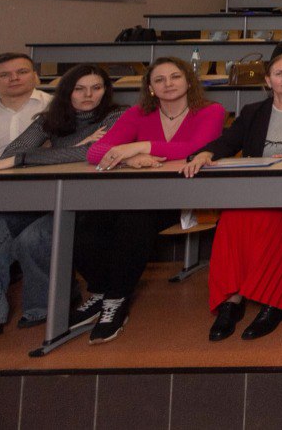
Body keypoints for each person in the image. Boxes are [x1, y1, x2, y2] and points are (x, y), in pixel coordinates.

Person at [182, 55, 282, 341]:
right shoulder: (252, 112)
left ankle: (274, 302)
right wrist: (205, 153)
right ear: (267, 80)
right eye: (279, 73)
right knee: (231, 219)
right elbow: (228, 142)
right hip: (257, 192)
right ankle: (232, 301)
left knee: (272, 217)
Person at [77, 58, 227, 343]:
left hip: (185, 197)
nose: (168, 84)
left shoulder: (210, 111)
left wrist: (138, 146)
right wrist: (129, 159)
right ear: (150, 87)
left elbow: (195, 148)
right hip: (133, 195)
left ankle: (116, 300)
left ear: (188, 81)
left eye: (175, 77)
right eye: (159, 79)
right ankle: (101, 291)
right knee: (86, 224)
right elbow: (95, 152)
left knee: (134, 220)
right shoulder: (137, 114)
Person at [0, 65, 124, 340]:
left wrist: (44, 153)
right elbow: (12, 152)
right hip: (40, 198)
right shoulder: (50, 119)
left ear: (105, 91)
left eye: (96, 88)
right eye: (79, 89)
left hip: (84, 202)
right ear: (67, 91)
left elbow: (95, 151)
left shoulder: (117, 115)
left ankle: (45, 306)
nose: (88, 95)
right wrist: (74, 146)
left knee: (33, 238)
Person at [0, 53, 50, 162]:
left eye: (22, 72)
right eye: (4, 75)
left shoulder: (56, 107)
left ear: (35, 76)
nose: (14, 78)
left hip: (45, 171)